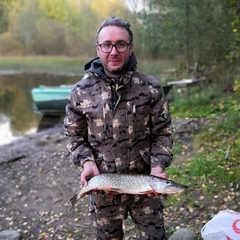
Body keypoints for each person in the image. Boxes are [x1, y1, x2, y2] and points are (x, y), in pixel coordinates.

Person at [64, 16, 173, 240]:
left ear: (130, 47)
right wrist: (87, 162)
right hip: (103, 189)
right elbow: (74, 136)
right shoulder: (80, 91)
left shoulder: (150, 88)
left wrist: (158, 166)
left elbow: (162, 132)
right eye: (107, 45)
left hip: (145, 185)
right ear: (98, 48)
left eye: (121, 44)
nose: (114, 51)